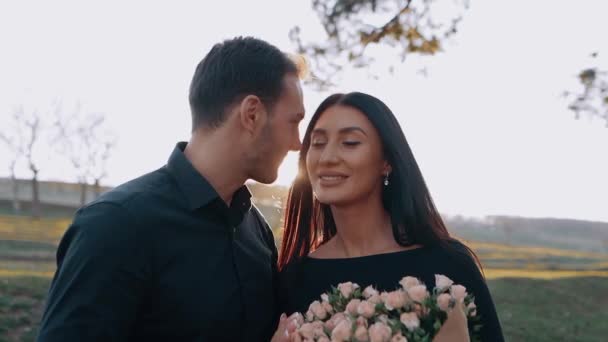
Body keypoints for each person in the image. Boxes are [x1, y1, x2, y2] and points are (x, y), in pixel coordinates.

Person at [37, 36, 306, 342]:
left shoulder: (256, 230)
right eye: (294, 122)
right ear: (252, 114)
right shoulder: (115, 226)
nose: (297, 144)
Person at [277, 92, 505, 341]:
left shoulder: (448, 266)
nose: (327, 157)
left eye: (350, 142)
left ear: (386, 161)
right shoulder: (296, 277)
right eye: (318, 143)